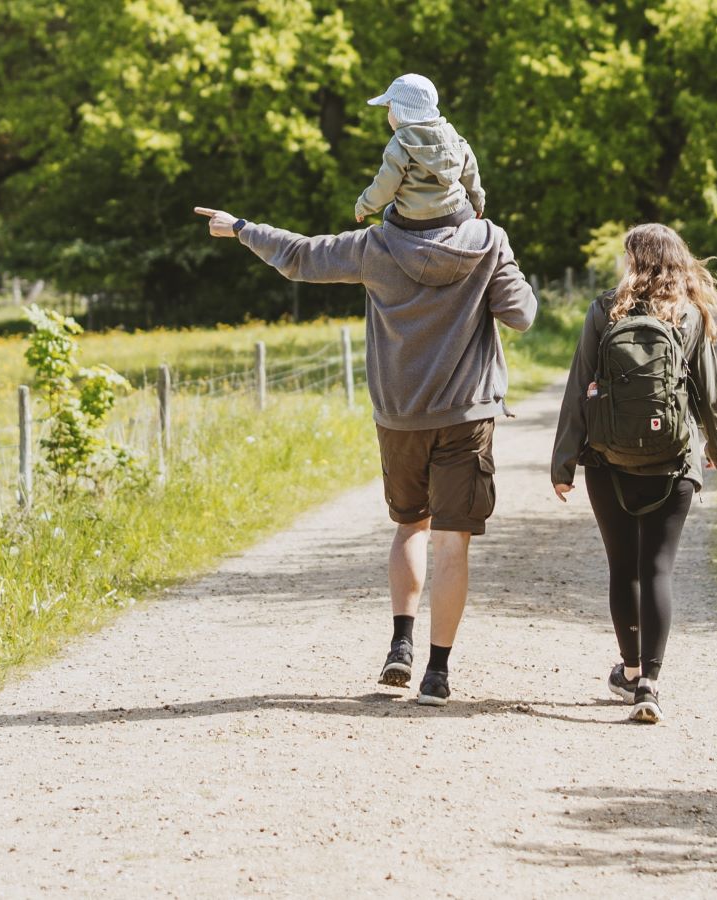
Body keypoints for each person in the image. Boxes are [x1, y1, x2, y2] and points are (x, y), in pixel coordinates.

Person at [193, 201, 535, 707]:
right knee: (452, 543)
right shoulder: (487, 241)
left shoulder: (375, 246)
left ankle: (401, 642)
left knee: (410, 527)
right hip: (466, 414)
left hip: (399, 416)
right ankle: (437, 674)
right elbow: (522, 315)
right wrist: (497, 265)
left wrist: (243, 228)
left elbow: (300, 256)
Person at [549, 223, 717, 724]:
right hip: (674, 462)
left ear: (634, 260)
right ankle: (650, 682)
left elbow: (577, 387)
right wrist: (714, 449)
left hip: (608, 460)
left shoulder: (605, 311)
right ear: (678, 261)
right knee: (657, 570)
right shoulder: (691, 314)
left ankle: (628, 670)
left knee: (622, 568)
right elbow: (709, 394)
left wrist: (564, 463)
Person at [354, 73, 485, 226]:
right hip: (455, 213)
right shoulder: (451, 135)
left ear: (400, 111)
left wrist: (363, 206)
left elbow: (385, 185)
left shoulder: (399, 144)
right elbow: (470, 172)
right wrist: (478, 202)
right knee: (465, 204)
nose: (388, 114)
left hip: (414, 219)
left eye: (389, 108)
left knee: (389, 212)